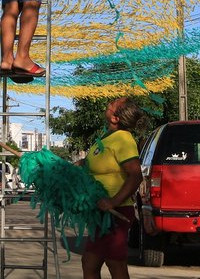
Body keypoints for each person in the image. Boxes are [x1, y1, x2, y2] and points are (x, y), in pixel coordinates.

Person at [82, 97, 147, 279]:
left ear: (115, 118)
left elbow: (136, 176)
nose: (109, 104)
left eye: (113, 104)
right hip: (101, 212)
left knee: (107, 262)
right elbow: (89, 165)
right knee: (97, 262)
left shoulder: (123, 140)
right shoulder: (105, 138)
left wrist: (112, 202)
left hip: (116, 212)